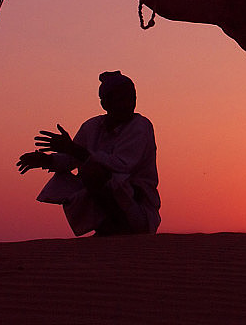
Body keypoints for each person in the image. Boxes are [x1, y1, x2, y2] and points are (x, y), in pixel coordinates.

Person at [17, 71, 160, 236]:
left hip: (137, 210)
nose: (127, 104)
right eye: (121, 99)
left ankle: (122, 228)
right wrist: (46, 160)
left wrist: (72, 148)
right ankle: (106, 226)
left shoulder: (140, 126)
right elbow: (71, 160)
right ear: (105, 103)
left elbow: (121, 165)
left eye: (131, 98)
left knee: (94, 172)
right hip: (113, 198)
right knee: (71, 177)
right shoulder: (91, 127)